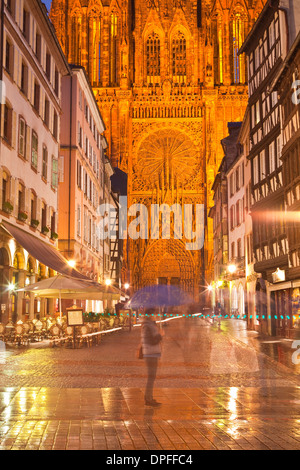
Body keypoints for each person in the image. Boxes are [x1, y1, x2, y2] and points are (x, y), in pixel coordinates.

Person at [141, 308, 163, 407]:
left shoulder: (151, 325)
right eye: (154, 314)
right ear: (150, 315)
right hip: (150, 353)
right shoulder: (147, 326)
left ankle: (149, 397)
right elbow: (152, 341)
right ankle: (148, 399)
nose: (155, 315)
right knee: (151, 377)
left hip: (153, 353)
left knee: (152, 377)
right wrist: (160, 335)